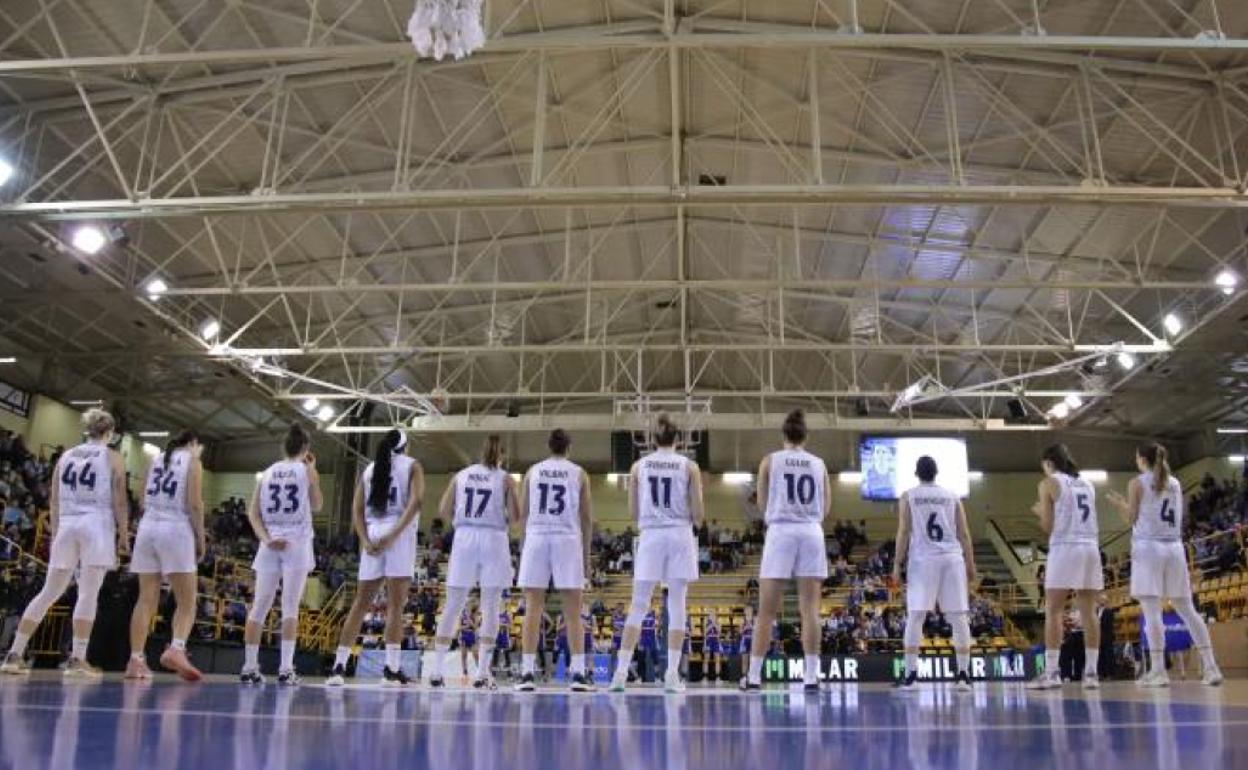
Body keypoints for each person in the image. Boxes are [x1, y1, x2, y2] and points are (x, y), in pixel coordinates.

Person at [0, 409, 128, 678]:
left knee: (48, 591)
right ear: (110, 433)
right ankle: (78, 658)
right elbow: (118, 500)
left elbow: (54, 499)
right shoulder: (113, 457)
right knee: (88, 593)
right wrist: (124, 533)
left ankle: (14, 653)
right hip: (96, 523)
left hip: (67, 523)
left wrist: (57, 531)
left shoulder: (66, 455)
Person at [1107, 443, 1222, 687]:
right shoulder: (1175, 483)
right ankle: (1211, 667)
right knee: (1187, 610)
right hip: (1174, 547)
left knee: (1152, 611)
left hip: (1149, 547)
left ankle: (1159, 671)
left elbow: (1131, 518)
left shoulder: (1136, 483)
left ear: (1141, 459)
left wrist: (1119, 505)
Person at [609, 413, 705, 693]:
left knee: (638, 605)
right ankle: (672, 676)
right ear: (678, 439)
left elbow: (633, 512)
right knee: (677, 607)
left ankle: (619, 674)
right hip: (679, 534)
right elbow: (699, 513)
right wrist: (694, 525)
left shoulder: (639, 466)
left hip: (651, 535)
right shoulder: (689, 466)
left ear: (652, 440)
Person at [741, 410, 831, 692]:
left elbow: (763, 504)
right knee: (810, 611)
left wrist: (779, 515)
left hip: (781, 530)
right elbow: (826, 506)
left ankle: (754, 676)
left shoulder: (770, 460)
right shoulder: (819, 464)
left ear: (784, 436)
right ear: (806, 436)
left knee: (766, 611)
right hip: (810, 531)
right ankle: (811, 676)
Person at [327, 429, 424, 687]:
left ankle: (338, 666)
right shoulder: (412, 465)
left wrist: (364, 539)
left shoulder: (369, 469)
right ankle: (391, 669)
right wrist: (394, 535)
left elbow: (356, 509)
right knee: (395, 606)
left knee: (360, 604)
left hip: (372, 533)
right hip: (397, 534)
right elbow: (417, 502)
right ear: (405, 446)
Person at [429, 435, 519, 689]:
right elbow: (515, 517)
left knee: (453, 605)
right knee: (491, 606)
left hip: (465, 536)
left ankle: (437, 671)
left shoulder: (462, 474)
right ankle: (482, 673)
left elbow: (443, 511)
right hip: (493, 538)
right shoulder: (505, 478)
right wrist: (512, 491)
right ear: (503, 455)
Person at [239, 424, 323, 685]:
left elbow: (252, 513)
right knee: (290, 607)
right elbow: (318, 505)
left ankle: (249, 666)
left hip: (270, 542)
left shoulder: (267, 472)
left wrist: (266, 539)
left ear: (284, 447)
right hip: (296, 542)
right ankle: (286, 669)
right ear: (306, 448)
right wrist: (314, 473)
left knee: (259, 606)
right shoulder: (306, 471)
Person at [514, 428, 594, 692]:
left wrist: (524, 548)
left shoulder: (532, 472)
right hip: (567, 538)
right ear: (568, 448)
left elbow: (522, 515)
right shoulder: (579, 473)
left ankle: (526, 673)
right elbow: (586, 519)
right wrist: (586, 557)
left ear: (549, 447)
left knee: (533, 608)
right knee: (573, 612)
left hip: (537, 537)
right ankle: (579, 674)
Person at [891, 455, 977, 692]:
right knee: (959, 617)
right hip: (951, 558)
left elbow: (904, 531)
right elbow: (965, 534)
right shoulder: (952, 496)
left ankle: (911, 676)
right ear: (936, 472)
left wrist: (897, 564)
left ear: (916, 473)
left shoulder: (908, 496)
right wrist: (971, 564)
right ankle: (963, 675)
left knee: (916, 616)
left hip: (923, 560)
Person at [126, 430, 206, 682]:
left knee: (145, 599)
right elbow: (195, 504)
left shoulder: (155, 459)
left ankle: (135, 660)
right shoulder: (193, 462)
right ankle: (177, 648)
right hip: (175, 528)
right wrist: (201, 537)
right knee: (187, 601)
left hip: (147, 527)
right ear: (193, 443)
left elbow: (140, 498)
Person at [1027, 444, 1102, 691]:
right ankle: (1091, 673)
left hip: (1065, 546)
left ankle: (1052, 673)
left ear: (1049, 463)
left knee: (1054, 611)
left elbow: (1049, 527)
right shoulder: (1088, 484)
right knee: (1089, 612)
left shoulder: (1048, 483)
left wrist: (1040, 513)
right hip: (1090, 547)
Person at [703, 612, 723, 681]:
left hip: (716, 641)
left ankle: (718, 676)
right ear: (709, 617)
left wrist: (714, 624)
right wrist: (711, 625)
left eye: (713, 615)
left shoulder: (718, 623)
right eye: (711, 616)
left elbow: (719, 631)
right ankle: (705, 675)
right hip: (708, 641)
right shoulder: (706, 623)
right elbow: (705, 632)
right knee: (706, 659)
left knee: (717, 659)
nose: (712, 617)